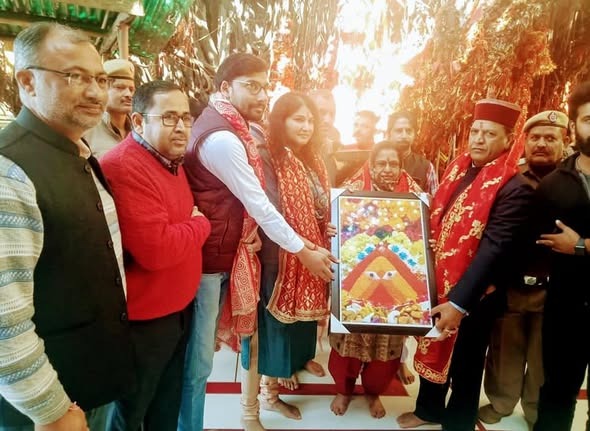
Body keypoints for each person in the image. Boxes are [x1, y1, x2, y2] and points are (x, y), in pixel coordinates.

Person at [179, 53, 335, 431]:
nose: (261, 95)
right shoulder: (225, 139)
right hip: (224, 258)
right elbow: (261, 205)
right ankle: (240, 415)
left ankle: (258, 402)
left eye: (265, 87)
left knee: (227, 348)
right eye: (251, 86)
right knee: (204, 360)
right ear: (225, 88)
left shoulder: (249, 133)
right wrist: (304, 250)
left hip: (242, 251)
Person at [0, 22, 135, 430]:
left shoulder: (76, 151)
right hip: (49, 407)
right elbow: (5, 320)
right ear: (27, 81)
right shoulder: (9, 170)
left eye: (99, 79)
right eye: (74, 76)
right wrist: (51, 411)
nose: (95, 92)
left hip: (89, 381)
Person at [397, 98, 534, 431]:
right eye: (475, 131)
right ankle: (429, 409)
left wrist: (458, 304)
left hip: (477, 294)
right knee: (434, 343)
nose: (479, 139)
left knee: (467, 364)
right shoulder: (458, 169)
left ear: (507, 139)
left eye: (489, 133)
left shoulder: (513, 187)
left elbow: (493, 249)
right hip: (440, 282)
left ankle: (458, 422)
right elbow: (438, 218)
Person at [101, 80, 211, 430]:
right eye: (168, 117)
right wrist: (201, 224)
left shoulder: (170, 161)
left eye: (185, 118)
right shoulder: (125, 166)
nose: (180, 127)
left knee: (165, 407)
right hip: (144, 323)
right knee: (132, 414)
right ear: (138, 121)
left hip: (175, 312)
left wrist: (188, 225)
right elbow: (158, 251)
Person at [479, 110, 568, 429]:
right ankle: (501, 402)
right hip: (511, 285)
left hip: (556, 288)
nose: (541, 144)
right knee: (505, 350)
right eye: (535, 138)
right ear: (525, 142)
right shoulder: (508, 179)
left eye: (550, 138)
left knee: (544, 356)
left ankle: (535, 409)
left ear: (564, 142)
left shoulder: (574, 182)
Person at [253, 92, 333, 421]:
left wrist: (325, 226)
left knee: (303, 323)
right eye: (298, 119)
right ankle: (269, 394)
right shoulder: (269, 156)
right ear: (280, 121)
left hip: (312, 249)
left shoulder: (312, 158)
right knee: (278, 326)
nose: (306, 126)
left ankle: (299, 361)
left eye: (310, 120)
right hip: (282, 255)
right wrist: (305, 243)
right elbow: (271, 211)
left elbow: (320, 205)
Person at [328, 141, 420, 419]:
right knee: (347, 347)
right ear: (371, 166)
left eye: (393, 164)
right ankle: (343, 390)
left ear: (401, 168)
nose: (387, 169)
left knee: (386, 351)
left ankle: (373, 391)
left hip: (394, 288)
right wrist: (332, 228)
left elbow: (421, 239)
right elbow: (337, 235)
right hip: (358, 285)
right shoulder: (350, 196)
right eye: (381, 163)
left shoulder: (414, 200)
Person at [533, 82, 590, 431]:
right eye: (588, 120)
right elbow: (538, 243)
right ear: (574, 126)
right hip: (566, 308)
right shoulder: (553, 184)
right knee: (557, 395)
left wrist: (581, 246)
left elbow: (573, 245)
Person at [85, 58, 135, 158]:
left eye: (131, 89)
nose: (128, 94)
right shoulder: (86, 130)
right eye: (120, 87)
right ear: (102, 90)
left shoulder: (140, 129)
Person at [387, 111, 438, 195]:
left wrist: (421, 195)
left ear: (414, 135)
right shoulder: (376, 163)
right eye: (399, 131)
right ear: (389, 134)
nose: (404, 136)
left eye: (408, 131)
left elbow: (435, 201)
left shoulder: (426, 167)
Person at [308, 89, 341, 185]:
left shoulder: (336, 152)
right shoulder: (294, 151)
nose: (328, 120)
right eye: (321, 112)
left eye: (332, 114)